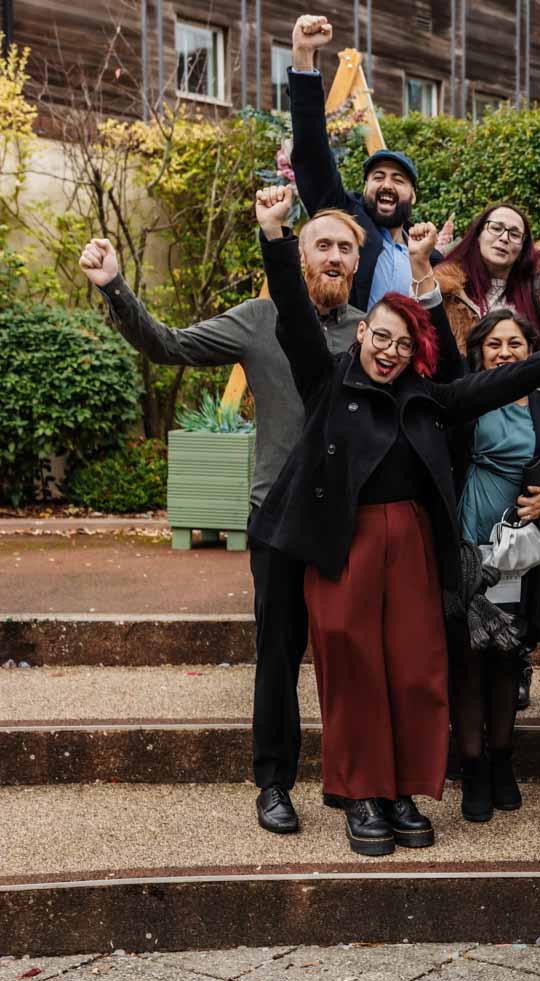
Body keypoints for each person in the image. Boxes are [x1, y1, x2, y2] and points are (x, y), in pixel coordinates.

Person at [251, 185, 540, 857]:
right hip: (342, 545)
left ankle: (401, 788)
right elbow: (290, 311)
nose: (389, 351)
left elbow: (487, 385)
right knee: (353, 671)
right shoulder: (327, 379)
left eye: (402, 343)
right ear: (362, 334)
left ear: (414, 351)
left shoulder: (427, 399)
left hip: (412, 546)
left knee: (412, 669)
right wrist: (275, 237)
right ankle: (361, 794)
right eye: (380, 337)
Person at [78, 215, 364, 837]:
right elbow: (170, 345)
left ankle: (355, 786)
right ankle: (274, 785)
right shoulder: (260, 319)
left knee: (351, 657)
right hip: (277, 519)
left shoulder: (369, 332)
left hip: (349, 522)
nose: (336, 256)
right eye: (324, 245)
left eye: (347, 247)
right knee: (278, 655)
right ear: (299, 256)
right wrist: (115, 287)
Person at [454, 309, 540, 822]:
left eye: (516, 343)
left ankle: (503, 760)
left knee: (509, 658)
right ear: (478, 352)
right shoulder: (463, 400)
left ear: (532, 353)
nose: (505, 352)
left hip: (521, 553)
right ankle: (472, 767)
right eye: (494, 344)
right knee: (466, 660)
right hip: (467, 548)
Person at [288, 15, 428, 312]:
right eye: (378, 176)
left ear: (413, 195)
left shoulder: (426, 254)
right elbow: (312, 153)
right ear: (365, 187)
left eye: (398, 180)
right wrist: (303, 59)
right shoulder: (346, 220)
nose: (386, 184)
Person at [433, 203, 540, 357]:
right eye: (496, 228)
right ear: (478, 234)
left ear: (523, 248)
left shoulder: (536, 286)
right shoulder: (445, 289)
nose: (504, 238)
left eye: (515, 234)